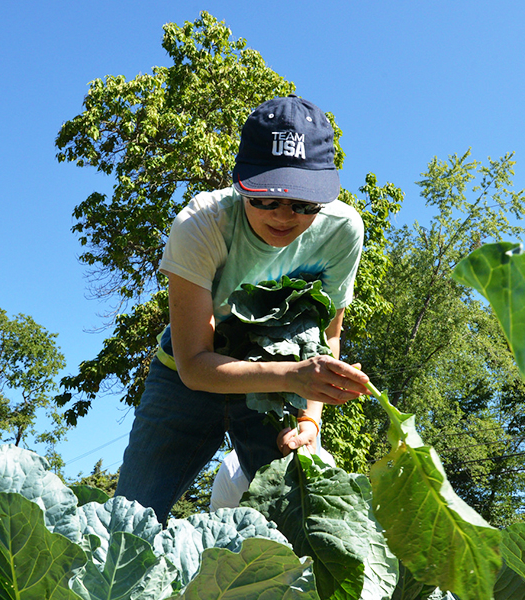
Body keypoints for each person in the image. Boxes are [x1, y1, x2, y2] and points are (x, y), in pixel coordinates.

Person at [115, 95, 370, 523]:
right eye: (267, 198)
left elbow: (328, 335)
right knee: (127, 523)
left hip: (275, 390)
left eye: (304, 203)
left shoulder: (343, 231)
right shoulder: (201, 224)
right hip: (186, 381)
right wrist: (295, 377)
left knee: (308, 522)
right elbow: (193, 365)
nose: (284, 215)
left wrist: (310, 419)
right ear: (242, 183)